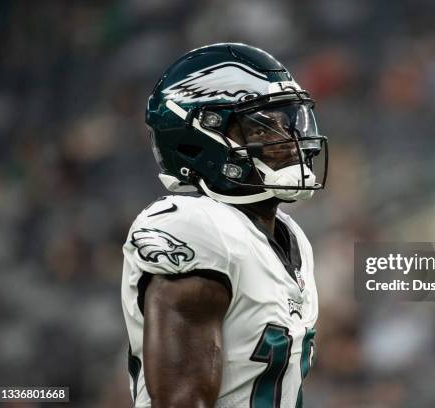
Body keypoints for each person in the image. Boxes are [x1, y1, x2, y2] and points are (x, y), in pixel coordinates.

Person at [121, 43, 328, 408]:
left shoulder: (291, 237)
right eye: (262, 127)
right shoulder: (195, 227)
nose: (289, 139)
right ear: (201, 139)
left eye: (287, 120)